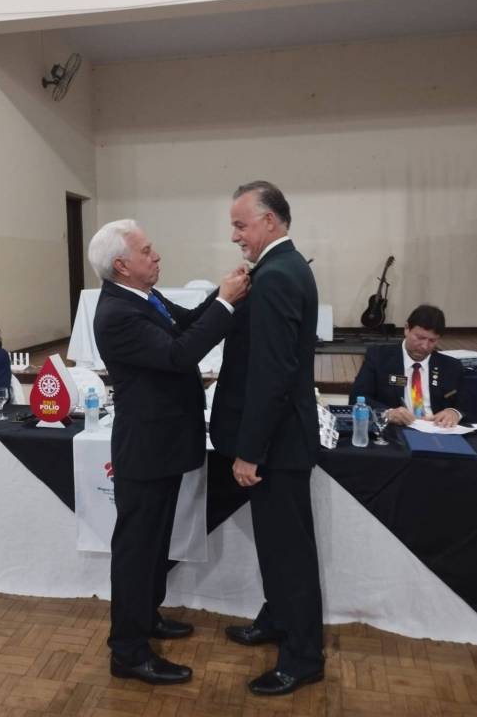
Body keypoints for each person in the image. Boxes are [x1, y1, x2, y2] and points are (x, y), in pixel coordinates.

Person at [89, 219, 249, 686]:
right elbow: (180, 354)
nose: (156, 256)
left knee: (157, 541)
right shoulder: (117, 313)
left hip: (164, 443)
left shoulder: (143, 297)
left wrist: (222, 293)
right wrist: (225, 303)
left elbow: (187, 322)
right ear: (122, 265)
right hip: (145, 448)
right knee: (137, 549)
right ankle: (127, 651)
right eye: (147, 251)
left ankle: (146, 616)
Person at [209, 181, 324, 697]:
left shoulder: (277, 276)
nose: (235, 235)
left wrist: (250, 451)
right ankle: (278, 619)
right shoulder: (282, 267)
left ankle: (303, 659)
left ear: (270, 221)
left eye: (241, 224)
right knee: (277, 548)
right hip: (280, 439)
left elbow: (272, 374)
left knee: (288, 554)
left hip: (276, 445)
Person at [350, 305, 463, 428]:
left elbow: (468, 401)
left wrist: (455, 413)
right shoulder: (378, 357)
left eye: (432, 341)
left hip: (439, 430)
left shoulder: (451, 366)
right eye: (420, 338)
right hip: (396, 430)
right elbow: (356, 398)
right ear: (407, 329)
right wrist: (387, 413)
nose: (425, 346)